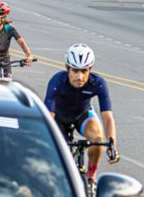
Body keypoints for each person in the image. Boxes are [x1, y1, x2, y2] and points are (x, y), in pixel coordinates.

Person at [44, 44, 119, 184]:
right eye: (75, 71)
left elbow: (107, 117)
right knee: (58, 150)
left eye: (84, 71)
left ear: (90, 70)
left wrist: (112, 145)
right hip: (59, 118)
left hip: (82, 115)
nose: (80, 76)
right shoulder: (57, 81)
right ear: (67, 69)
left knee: (97, 139)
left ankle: (91, 175)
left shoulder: (98, 83)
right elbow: (49, 116)